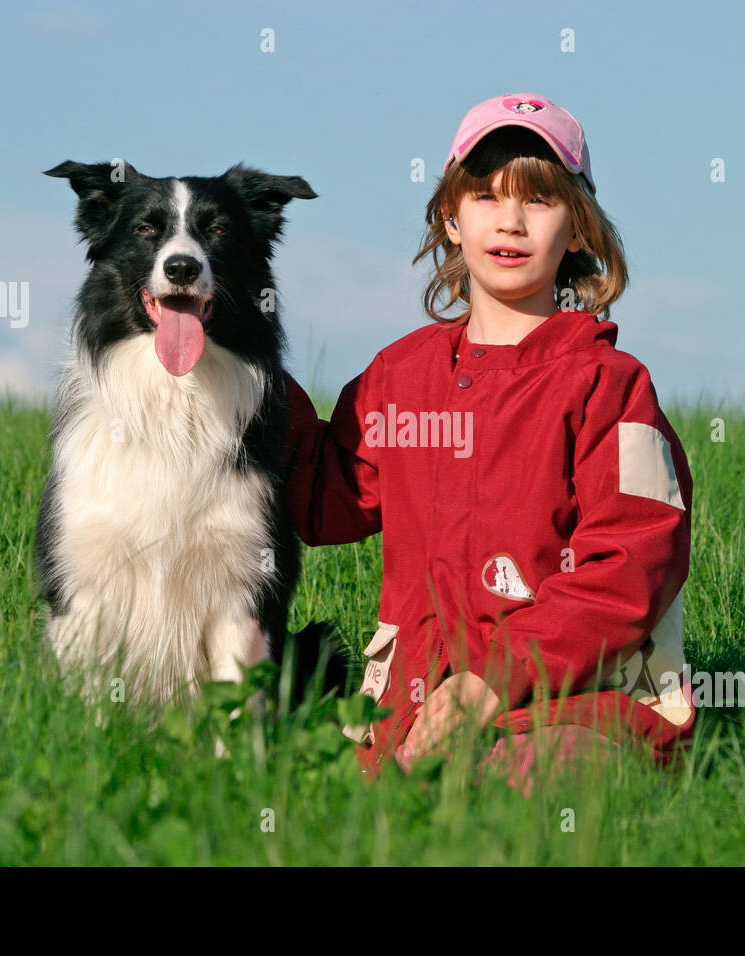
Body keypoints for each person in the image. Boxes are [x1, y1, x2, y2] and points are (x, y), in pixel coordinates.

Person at [283, 93, 696, 792]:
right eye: (483, 197)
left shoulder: (610, 387)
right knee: (327, 802)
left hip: (577, 709)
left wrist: (494, 680)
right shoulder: (398, 378)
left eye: (537, 200)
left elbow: (632, 563)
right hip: (413, 713)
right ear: (451, 218)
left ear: (578, 230)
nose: (509, 220)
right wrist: (244, 371)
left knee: (532, 784)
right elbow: (327, 502)